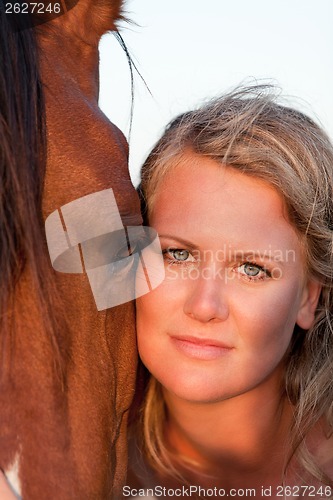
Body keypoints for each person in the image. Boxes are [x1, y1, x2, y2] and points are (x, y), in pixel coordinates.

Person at [127, 85, 333, 498]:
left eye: (252, 269)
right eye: (177, 255)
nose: (204, 306)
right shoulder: (62, 461)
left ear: (311, 298)